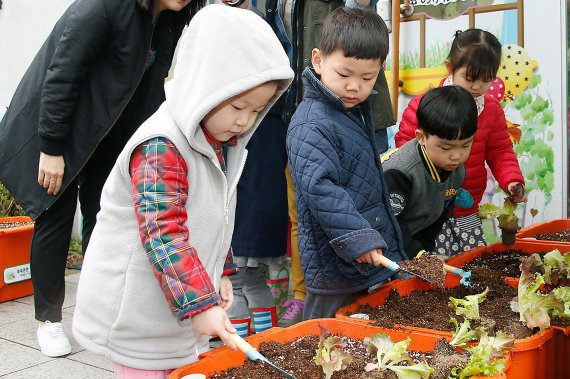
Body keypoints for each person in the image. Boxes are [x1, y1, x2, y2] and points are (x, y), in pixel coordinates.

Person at [72, 4, 293, 377]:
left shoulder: (220, 140)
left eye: (257, 111)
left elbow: (214, 214)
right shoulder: (162, 145)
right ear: (204, 85)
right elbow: (164, 233)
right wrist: (200, 302)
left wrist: (220, 271)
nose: (245, 120)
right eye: (239, 105)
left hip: (177, 307)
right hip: (136, 314)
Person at [0, 0, 205, 358]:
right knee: (55, 218)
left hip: (108, 133)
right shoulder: (105, 6)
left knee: (103, 217)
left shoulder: (169, 20)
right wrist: (50, 147)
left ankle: (95, 310)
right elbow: (62, 73)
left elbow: (153, 89)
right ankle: (48, 320)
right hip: (60, 132)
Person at [267, 0, 397, 328]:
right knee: (324, 333)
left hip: (361, 261)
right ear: (318, 60)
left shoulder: (352, 111)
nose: (355, 86)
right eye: (344, 74)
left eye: (368, 78)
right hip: (334, 264)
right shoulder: (311, 122)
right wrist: (359, 238)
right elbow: (320, 188)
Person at [395, 29, 526, 256]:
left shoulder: (491, 110)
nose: (477, 87)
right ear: (450, 67)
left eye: (486, 80)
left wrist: (512, 180)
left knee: (471, 266)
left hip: (467, 209)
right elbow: (404, 153)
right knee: (433, 270)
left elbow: (500, 151)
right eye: (470, 78)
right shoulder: (424, 105)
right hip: (428, 209)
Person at [220, 0, 289, 337]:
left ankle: (243, 344)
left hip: (242, 224)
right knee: (254, 281)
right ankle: (264, 342)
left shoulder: (231, 117)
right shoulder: (271, 112)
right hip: (263, 223)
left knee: (241, 281)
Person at [383, 86, 477, 259]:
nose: (457, 156)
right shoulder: (400, 172)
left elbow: (437, 216)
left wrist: (424, 251)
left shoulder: (457, 171)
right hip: (381, 241)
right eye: (446, 147)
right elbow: (389, 223)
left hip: (411, 242)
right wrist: (418, 255)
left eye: (465, 145)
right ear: (421, 137)